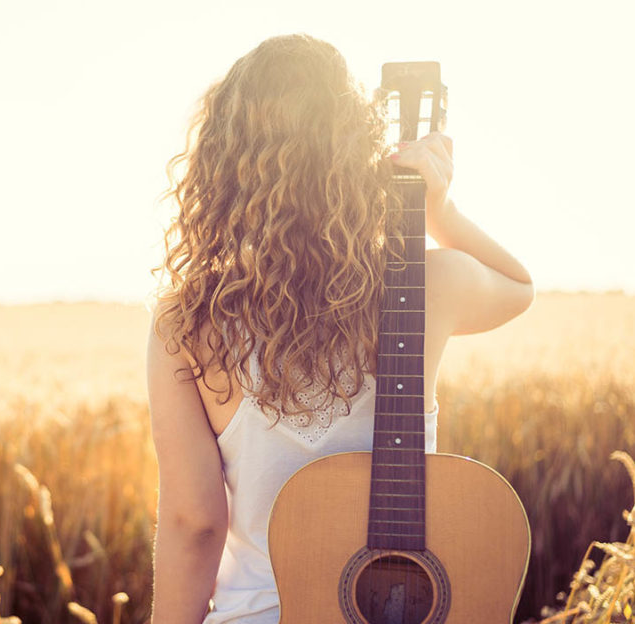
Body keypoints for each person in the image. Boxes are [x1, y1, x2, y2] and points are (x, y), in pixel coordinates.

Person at [145, 33, 534, 624]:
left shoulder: (187, 318)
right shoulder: (425, 284)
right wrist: (437, 212)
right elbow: (517, 287)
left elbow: (194, 521)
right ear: (359, 156)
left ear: (221, 168)